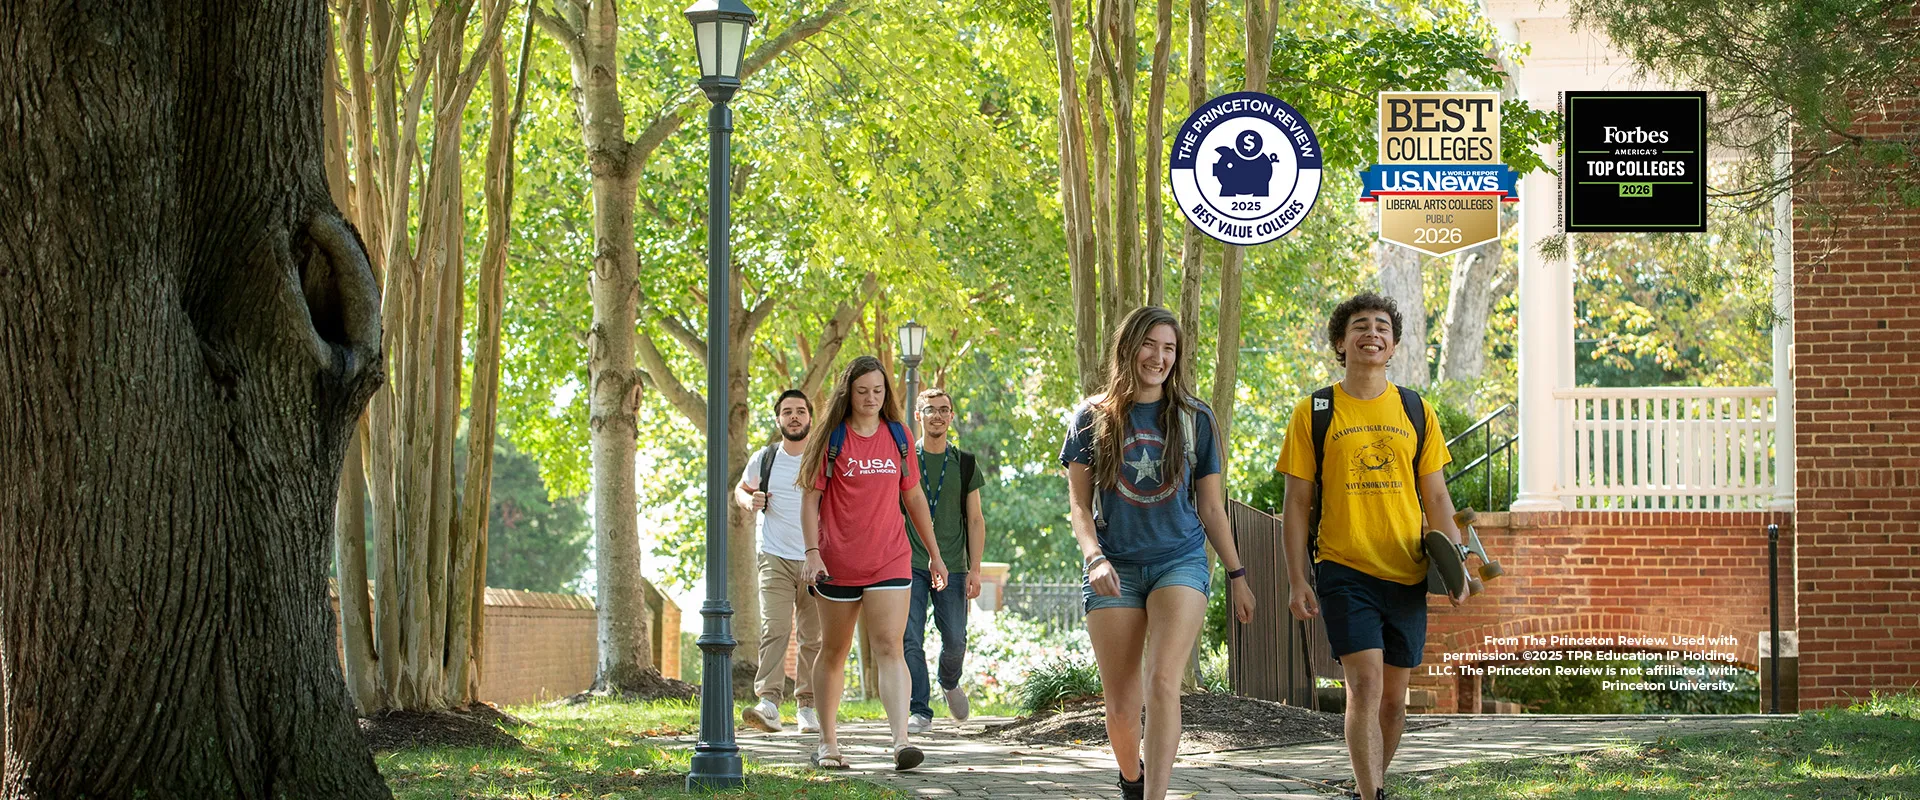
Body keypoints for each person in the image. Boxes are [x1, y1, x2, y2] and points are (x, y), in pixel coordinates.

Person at [1061, 306, 1255, 800]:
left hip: (1180, 559)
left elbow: (1211, 507)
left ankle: (1157, 796)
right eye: (1150, 344)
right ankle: (1131, 779)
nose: (1160, 357)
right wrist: (1094, 558)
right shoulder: (1091, 418)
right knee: (1122, 704)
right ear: (1129, 348)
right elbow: (1080, 509)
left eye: (1169, 348)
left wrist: (1237, 574)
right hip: (1114, 566)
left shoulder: (1195, 418)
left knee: (1163, 680)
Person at [1277, 292, 1467, 800]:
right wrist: (1298, 578)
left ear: (1394, 345)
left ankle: (1373, 781)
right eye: (1360, 326)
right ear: (1341, 342)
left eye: (1382, 327)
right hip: (1344, 568)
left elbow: (1437, 494)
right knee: (1365, 686)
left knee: (1395, 702)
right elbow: (1296, 503)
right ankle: (1371, 794)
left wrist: (1456, 567)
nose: (1372, 333)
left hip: (1406, 571)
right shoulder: (1313, 411)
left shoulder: (1415, 410)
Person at [798, 356, 949, 772]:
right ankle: (828, 744)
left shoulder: (898, 435)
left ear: (887, 393)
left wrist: (935, 554)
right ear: (849, 392)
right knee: (834, 650)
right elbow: (810, 498)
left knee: (889, 646)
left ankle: (901, 742)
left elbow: (914, 498)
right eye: (862, 391)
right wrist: (812, 553)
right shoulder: (831, 438)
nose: (870, 398)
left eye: (878, 391)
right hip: (838, 562)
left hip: (891, 559)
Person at [735, 389, 823, 734]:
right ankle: (769, 703)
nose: (795, 416)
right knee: (775, 629)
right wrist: (749, 500)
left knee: (812, 636)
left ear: (810, 418)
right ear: (778, 419)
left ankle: (807, 706)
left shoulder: (821, 459)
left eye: (800, 411)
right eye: (787, 412)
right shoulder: (765, 458)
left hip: (816, 558)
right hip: (774, 556)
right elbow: (740, 490)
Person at [902, 388, 987, 735]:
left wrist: (976, 569)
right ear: (918, 416)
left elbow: (976, 519)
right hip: (909, 562)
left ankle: (949, 682)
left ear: (951, 417)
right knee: (909, 638)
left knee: (955, 638)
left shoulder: (964, 463)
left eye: (943, 410)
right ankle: (919, 708)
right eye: (929, 410)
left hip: (953, 564)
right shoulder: (905, 461)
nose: (937, 416)